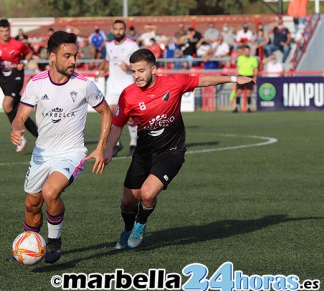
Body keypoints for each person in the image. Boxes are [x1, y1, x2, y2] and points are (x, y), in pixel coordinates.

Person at [104, 48, 254, 249]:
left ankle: (140, 224)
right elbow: (117, 125)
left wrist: (234, 78)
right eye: (133, 71)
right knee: (127, 202)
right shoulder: (128, 95)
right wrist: (107, 150)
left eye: (141, 70)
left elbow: (204, 81)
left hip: (171, 152)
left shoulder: (174, 82)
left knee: (147, 194)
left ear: (153, 69)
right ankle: (127, 228)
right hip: (144, 153)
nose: (137, 76)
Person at [10, 30, 113, 264]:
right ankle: (30, 243)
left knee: (50, 192)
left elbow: (107, 112)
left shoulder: (85, 85)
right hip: (42, 154)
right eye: (67, 56)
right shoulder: (36, 84)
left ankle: (54, 241)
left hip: (71, 152)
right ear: (53, 56)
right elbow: (21, 115)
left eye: (75, 55)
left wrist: (101, 148)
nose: (74, 61)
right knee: (31, 203)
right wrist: (16, 129)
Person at [0, 19, 38, 152]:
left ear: (10, 30)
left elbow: (29, 53)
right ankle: (42, 138)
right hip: (3, 79)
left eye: (7, 30)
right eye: (2, 31)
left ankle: (19, 137)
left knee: (6, 105)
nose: (5, 33)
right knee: (20, 111)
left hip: (16, 76)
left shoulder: (17, 44)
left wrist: (24, 62)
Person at [98, 20, 139, 157]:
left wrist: (129, 67)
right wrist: (101, 69)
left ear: (125, 30)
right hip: (112, 85)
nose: (118, 32)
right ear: (112, 30)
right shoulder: (109, 45)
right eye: (115, 29)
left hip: (127, 84)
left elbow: (140, 63)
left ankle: (134, 143)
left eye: (121, 29)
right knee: (109, 115)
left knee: (130, 118)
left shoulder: (132, 45)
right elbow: (107, 60)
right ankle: (116, 144)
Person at [233, 45, 258, 113]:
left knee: (248, 93)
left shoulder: (253, 59)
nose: (247, 52)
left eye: (248, 51)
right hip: (241, 76)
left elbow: (255, 69)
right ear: (244, 52)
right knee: (238, 92)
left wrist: (255, 76)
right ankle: (237, 107)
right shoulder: (240, 58)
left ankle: (248, 107)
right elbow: (237, 68)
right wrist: (236, 77)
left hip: (249, 76)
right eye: (246, 51)